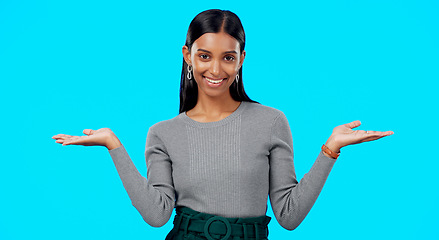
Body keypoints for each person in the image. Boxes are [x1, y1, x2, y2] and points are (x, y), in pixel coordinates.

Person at [52, 9, 393, 240]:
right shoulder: (163, 133)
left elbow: (288, 215)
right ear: (187, 55)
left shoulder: (272, 121)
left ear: (241, 59)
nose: (216, 69)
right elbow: (157, 215)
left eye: (228, 57)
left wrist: (330, 150)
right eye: (204, 55)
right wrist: (114, 145)